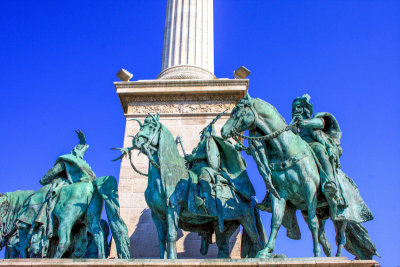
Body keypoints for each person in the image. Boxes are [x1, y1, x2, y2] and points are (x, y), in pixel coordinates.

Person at [185, 114, 255, 232]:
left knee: (204, 175)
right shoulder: (198, 146)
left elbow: (210, 155)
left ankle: (204, 199)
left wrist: (193, 157)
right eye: (202, 133)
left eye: (205, 132)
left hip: (206, 168)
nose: (203, 134)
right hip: (194, 169)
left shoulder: (209, 141)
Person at [291, 94, 346, 214]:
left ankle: (329, 182)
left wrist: (303, 123)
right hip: (298, 149)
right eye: (294, 108)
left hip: (312, 144)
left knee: (320, 150)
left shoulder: (314, 119)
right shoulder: (292, 126)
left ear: (305, 109)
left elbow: (320, 124)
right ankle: (272, 194)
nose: (295, 110)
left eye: (298, 107)